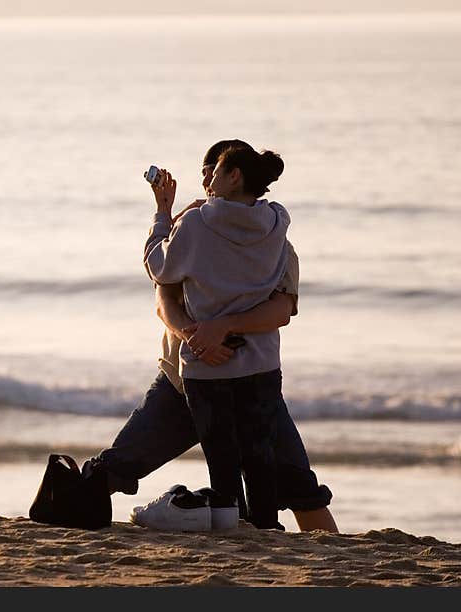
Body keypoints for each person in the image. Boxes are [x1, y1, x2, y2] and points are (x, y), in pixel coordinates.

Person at [89, 140, 336, 532]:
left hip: (247, 382)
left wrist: (222, 327)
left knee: (297, 485)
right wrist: (194, 337)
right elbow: (164, 299)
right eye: (203, 169)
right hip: (183, 381)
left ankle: (326, 562)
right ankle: (63, 511)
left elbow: (281, 309)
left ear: (235, 175)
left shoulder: (268, 243)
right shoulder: (201, 230)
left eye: (212, 168)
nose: (204, 177)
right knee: (116, 468)